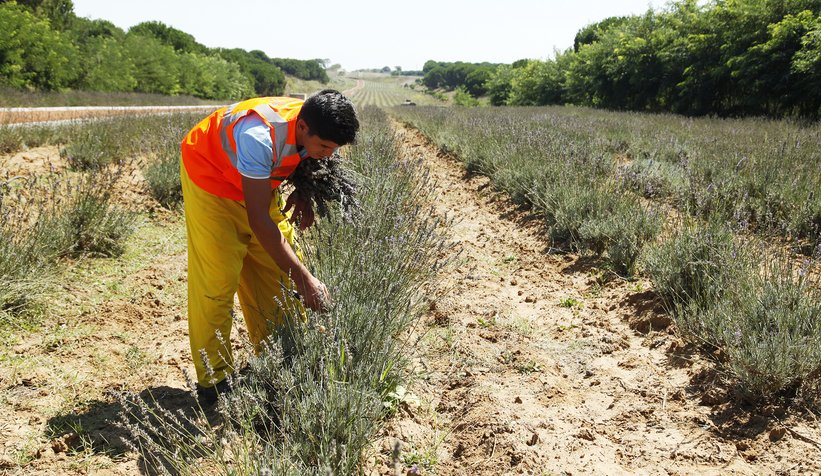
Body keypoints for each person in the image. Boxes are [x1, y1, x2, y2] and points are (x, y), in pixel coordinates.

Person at [179, 89, 359, 403]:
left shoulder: (313, 122)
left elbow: (303, 156)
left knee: (277, 271)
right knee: (217, 280)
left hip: (255, 182)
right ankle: (215, 383)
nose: (328, 155)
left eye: (334, 149)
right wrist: (306, 281)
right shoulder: (258, 137)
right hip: (212, 179)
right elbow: (259, 220)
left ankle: (281, 357)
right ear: (303, 128)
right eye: (324, 147)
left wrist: (304, 189)